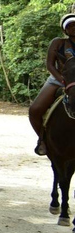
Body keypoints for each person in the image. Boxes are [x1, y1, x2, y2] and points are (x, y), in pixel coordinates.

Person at [29, 12, 75, 155]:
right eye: (70, 26)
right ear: (64, 30)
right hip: (58, 80)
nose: (74, 28)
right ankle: (43, 140)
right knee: (35, 110)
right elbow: (50, 65)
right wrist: (61, 79)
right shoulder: (58, 42)